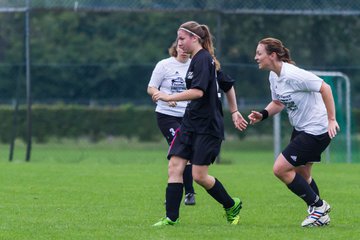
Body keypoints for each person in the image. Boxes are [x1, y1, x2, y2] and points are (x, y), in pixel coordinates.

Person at [152, 21, 248, 226]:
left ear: (194, 38)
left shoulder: (203, 59)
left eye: (182, 38)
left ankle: (231, 204)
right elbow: (223, 86)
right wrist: (234, 111)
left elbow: (198, 92)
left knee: (199, 176)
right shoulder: (197, 60)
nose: (179, 42)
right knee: (175, 166)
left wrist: (170, 97)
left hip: (207, 126)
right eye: (178, 38)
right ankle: (171, 218)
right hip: (190, 123)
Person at [248, 37, 340, 227]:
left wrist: (331, 119)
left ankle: (319, 207)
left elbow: (325, 88)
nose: (256, 57)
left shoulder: (293, 75)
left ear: (272, 55)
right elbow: (278, 103)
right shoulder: (274, 75)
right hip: (301, 128)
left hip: (317, 129)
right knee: (302, 173)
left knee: (280, 169)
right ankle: (320, 216)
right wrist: (263, 114)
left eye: (259, 53)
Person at [147, 41, 196, 205]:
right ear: (175, 49)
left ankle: (185, 193)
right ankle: (186, 193)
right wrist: (164, 97)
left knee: (184, 154)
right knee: (181, 150)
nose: (183, 51)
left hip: (188, 117)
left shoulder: (195, 66)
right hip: (166, 115)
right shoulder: (164, 65)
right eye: (180, 48)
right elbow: (151, 88)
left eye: (185, 48)